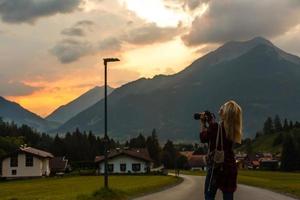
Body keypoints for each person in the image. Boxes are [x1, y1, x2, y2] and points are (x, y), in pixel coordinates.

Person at [199, 100, 242, 200]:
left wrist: (202, 123)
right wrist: (211, 122)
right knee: (228, 196)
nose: (221, 107)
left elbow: (203, 137)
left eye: (223, 106)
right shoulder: (235, 130)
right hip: (230, 167)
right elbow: (221, 133)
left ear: (225, 112)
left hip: (217, 166)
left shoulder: (215, 127)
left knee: (209, 194)